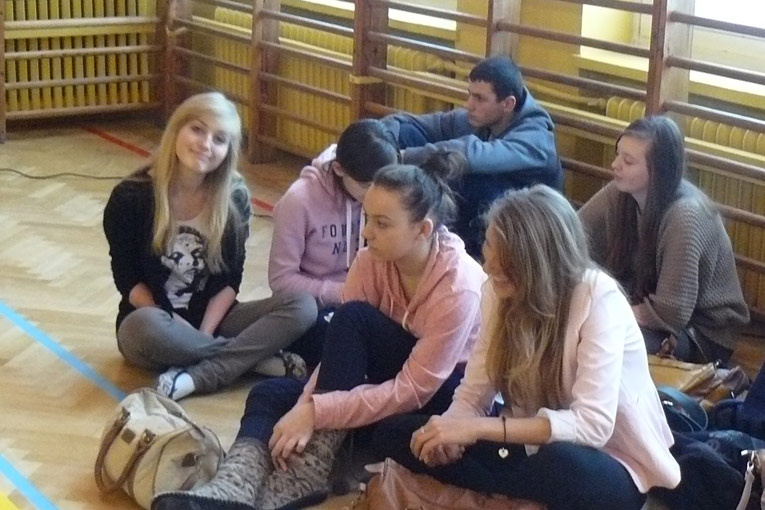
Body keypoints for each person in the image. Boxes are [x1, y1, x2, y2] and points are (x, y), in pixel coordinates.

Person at [152, 161, 486, 510]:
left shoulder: (457, 286)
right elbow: (340, 353)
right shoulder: (371, 260)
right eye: (366, 217)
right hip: (386, 381)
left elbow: (412, 390)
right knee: (269, 394)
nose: (367, 232)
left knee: (353, 323)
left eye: (382, 223)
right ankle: (233, 488)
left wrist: (316, 413)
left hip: (438, 397)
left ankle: (305, 473)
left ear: (423, 229)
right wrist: (305, 406)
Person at [372, 185, 681, 510]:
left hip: (608, 460)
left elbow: (593, 426)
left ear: (537, 262)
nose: (488, 266)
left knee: (561, 464)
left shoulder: (598, 298)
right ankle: (515, 491)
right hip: (525, 446)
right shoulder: (497, 290)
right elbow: (474, 393)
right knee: (395, 434)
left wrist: (476, 428)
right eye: (488, 244)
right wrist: (451, 431)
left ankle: (505, 488)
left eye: (505, 259)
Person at [103, 92, 316, 401]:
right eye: (197, 129)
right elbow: (128, 279)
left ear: (228, 151)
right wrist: (179, 326)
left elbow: (229, 280)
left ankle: (201, 373)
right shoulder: (130, 197)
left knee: (303, 306)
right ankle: (252, 361)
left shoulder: (235, 198)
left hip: (215, 322)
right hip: (155, 323)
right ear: (176, 129)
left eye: (219, 139)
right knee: (141, 327)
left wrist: (202, 335)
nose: (205, 144)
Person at [578, 115, 749, 364]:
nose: (615, 165)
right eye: (618, 154)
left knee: (601, 338)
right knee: (578, 327)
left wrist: (601, 311)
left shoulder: (686, 215)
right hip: (646, 309)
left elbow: (672, 312)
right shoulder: (621, 191)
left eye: (628, 161)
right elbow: (573, 234)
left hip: (701, 332)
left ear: (657, 170)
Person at [382, 55, 563, 257]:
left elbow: (473, 154)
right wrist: (381, 137)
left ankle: (458, 257)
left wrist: (406, 156)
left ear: (508, 104)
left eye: (480, 98)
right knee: (408, 134)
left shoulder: (536, 137)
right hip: (488, 216)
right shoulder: (483, 118)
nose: (469, 104)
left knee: (465, 176)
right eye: (470, 95)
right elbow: (421, 124)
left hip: (530, 231)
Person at [267, 119, 398, 368]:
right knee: (344, 347)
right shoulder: (299, 200)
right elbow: (281, 280)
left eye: (382, 183)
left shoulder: (388, 193)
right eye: (366, 186)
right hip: (318, 307)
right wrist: (343, 292)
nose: (375, 195)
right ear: (339, 169)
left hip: (368, 300)